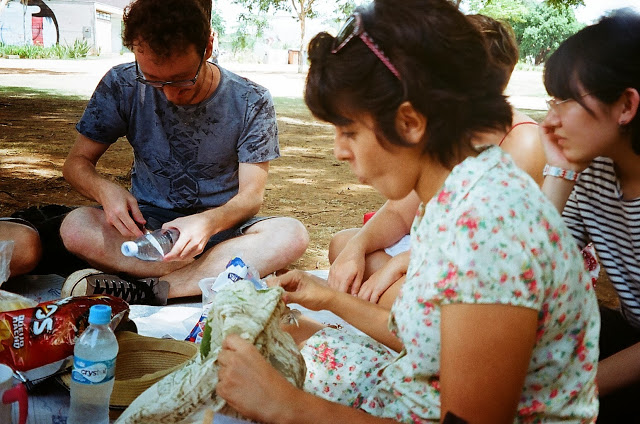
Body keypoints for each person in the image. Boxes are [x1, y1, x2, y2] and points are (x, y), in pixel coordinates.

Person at [215, 1, 600, 422]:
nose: (339, 151)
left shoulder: (490, 232)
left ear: (411, 122)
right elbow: (431, 340)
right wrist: (327, 299)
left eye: (349, 131)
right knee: (277, 339)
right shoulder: (455, 193)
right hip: (413, 392)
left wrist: (286, 407)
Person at [58, 0, 309, 305]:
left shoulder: (250, 100)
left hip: (222, 230)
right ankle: (215, 274)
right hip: (148, 232)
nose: (169, 94)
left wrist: (207, 223)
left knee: (291, 234)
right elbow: (76, 164)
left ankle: (151, 289)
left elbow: (251, 198)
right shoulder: (121, 84)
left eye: (181, 81)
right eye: (151, 79)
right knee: (76, 227)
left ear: (208, 47)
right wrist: (104, 190)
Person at [327, 14, 545, 307]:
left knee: (398, 293)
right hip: (438, 251)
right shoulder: (445, 129)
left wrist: (400, 264)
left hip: (477, 266)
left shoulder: (524, 142)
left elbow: (487, 245)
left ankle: (396, 306)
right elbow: (400, 212)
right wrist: (357, 247)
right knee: (343, 246)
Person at [538, 10, 640, 423]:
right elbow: (531, 268)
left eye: (565, 101)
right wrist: (560, 170)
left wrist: (569, 393)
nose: (549, 121)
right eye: (551, 102)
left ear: (626, 105)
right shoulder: (595, 170)